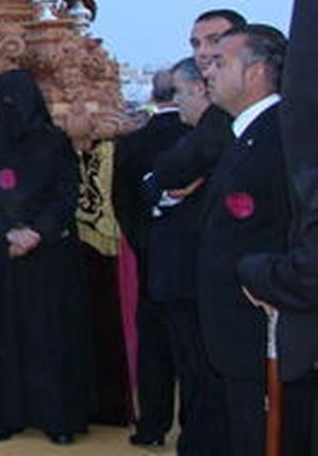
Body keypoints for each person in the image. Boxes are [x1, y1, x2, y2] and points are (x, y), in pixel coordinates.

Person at [196, 25, 308, 456]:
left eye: (221, 62)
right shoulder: (246, 133)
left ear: (256, 72)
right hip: (235, 338)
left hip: (263, 331)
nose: (209, 71)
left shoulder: (281, 135)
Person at [0, 70, 94, 445]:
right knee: (3, 336)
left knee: (51, 335)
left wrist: (37, 231)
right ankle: (5, 417)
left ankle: (58, 419)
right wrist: (9, 230)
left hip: (49, 253)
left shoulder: (55, 143)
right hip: (5, 253)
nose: (10, 109)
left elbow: (66, 193)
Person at [146, 58, 223, 456]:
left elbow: (165, 176)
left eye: (180, 93)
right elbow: (160, 180)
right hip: (182, 275)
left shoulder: (215, 134)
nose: (177, 103)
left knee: (203, 376)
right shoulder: (195, 135)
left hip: (198, 275)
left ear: (201, 90)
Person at [111, 70, 188, 448]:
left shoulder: (132, 143)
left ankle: (151, 426)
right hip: (192, 263)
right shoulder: (199, 138)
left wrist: (144, 243)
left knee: (154, 349)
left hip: (149, 259)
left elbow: (121, 203)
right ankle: (194, 427)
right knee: (193, 352)